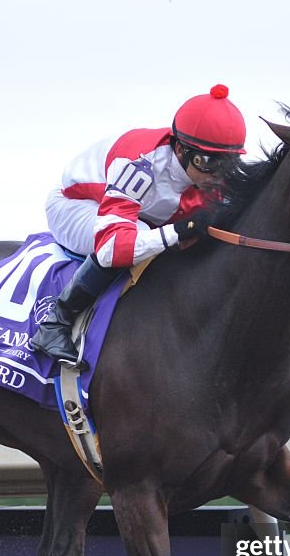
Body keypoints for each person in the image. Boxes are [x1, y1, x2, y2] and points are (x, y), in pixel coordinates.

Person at [30, 84, 247, 365]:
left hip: (140, 213)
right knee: (142, 239)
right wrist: (176, 232)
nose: (218, 174)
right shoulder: (140, 165)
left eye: (227, 163)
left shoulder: (210, 176)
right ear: (180, 149)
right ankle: (56, 323)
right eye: (206, 161)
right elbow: (111, 248)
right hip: (77, 204)